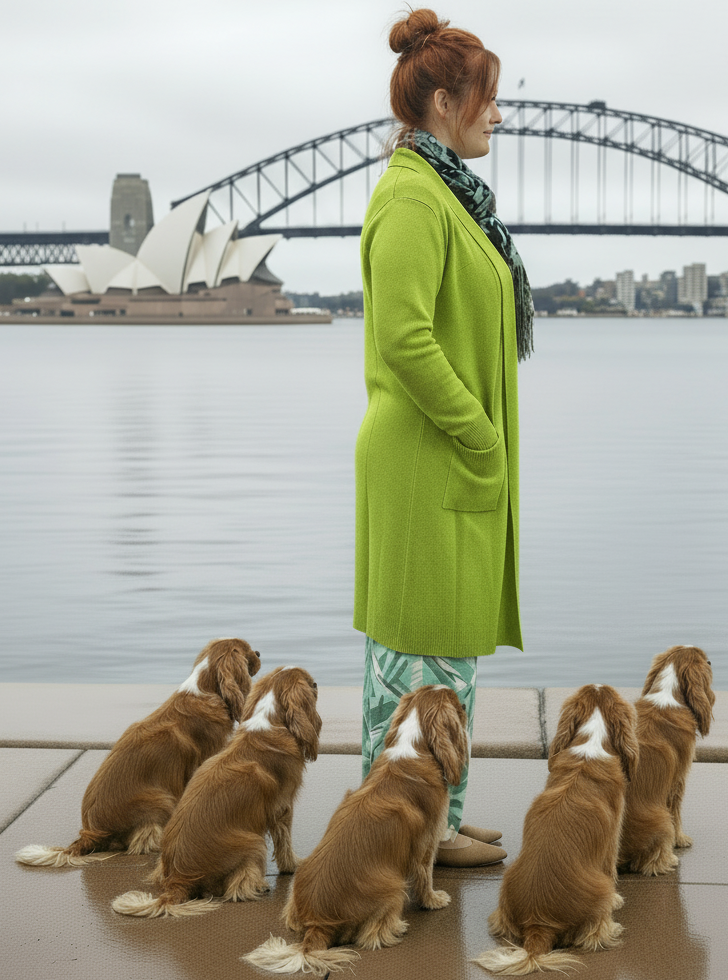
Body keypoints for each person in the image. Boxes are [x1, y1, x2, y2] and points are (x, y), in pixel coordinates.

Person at [355, 8, 533, 868]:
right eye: (487, 98)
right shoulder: (412, 197)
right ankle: (395, 835)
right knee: (415, 657)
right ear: (440, 100)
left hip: (448, 457)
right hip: (428, 459)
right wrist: (479, 436)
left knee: (445, 655)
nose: (499, 114)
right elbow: (404, 338)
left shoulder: (449, 193)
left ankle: (438, 817)